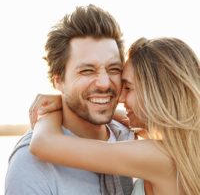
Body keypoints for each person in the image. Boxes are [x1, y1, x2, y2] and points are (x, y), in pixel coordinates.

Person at [29, 37, 200, 195]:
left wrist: (50, 113)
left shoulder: (158, 156)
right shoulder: (186, 147)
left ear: (156, 94)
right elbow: (125, 118)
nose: (121, 98)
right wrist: (68, 101)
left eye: (128, 88)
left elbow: (43, 144)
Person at [5, 4, 134, 195]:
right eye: (87, 71)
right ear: (58, 80)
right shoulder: (31, 163)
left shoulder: (130, 136)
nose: (104, 83)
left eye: (114, 69)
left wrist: (63, 103)